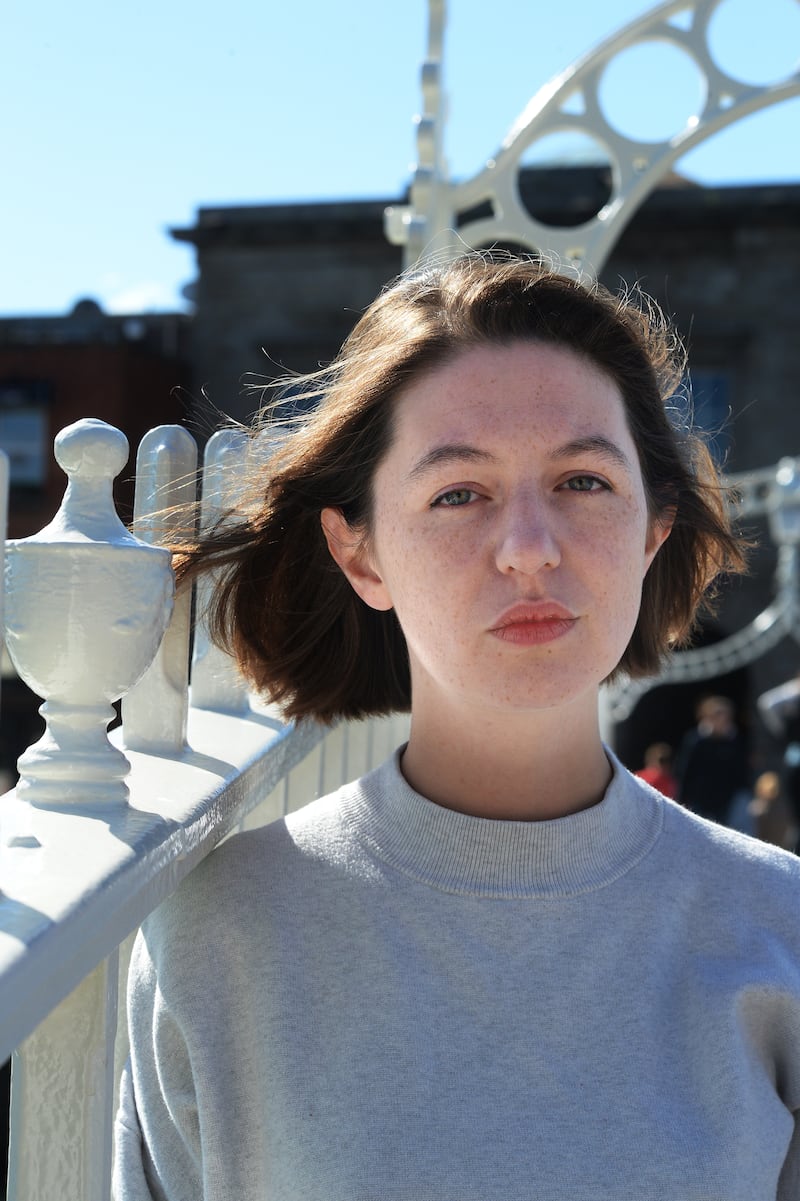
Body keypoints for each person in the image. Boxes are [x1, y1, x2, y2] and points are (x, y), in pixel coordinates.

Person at [113, 256, 800, 1200]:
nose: (528, 547)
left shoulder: (780, 930)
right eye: (457, 493)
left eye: (584, 481)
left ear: (653, 528)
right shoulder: (218, 936)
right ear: (359, 551)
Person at [674, 694, 752, 828]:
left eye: (726, 714)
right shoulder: (696, 740)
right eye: (718, 714)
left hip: (728, 799)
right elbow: (685, 771)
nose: (723, 718)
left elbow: (742, 770)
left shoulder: (735, 741)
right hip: (701, 799)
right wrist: (682, 800)